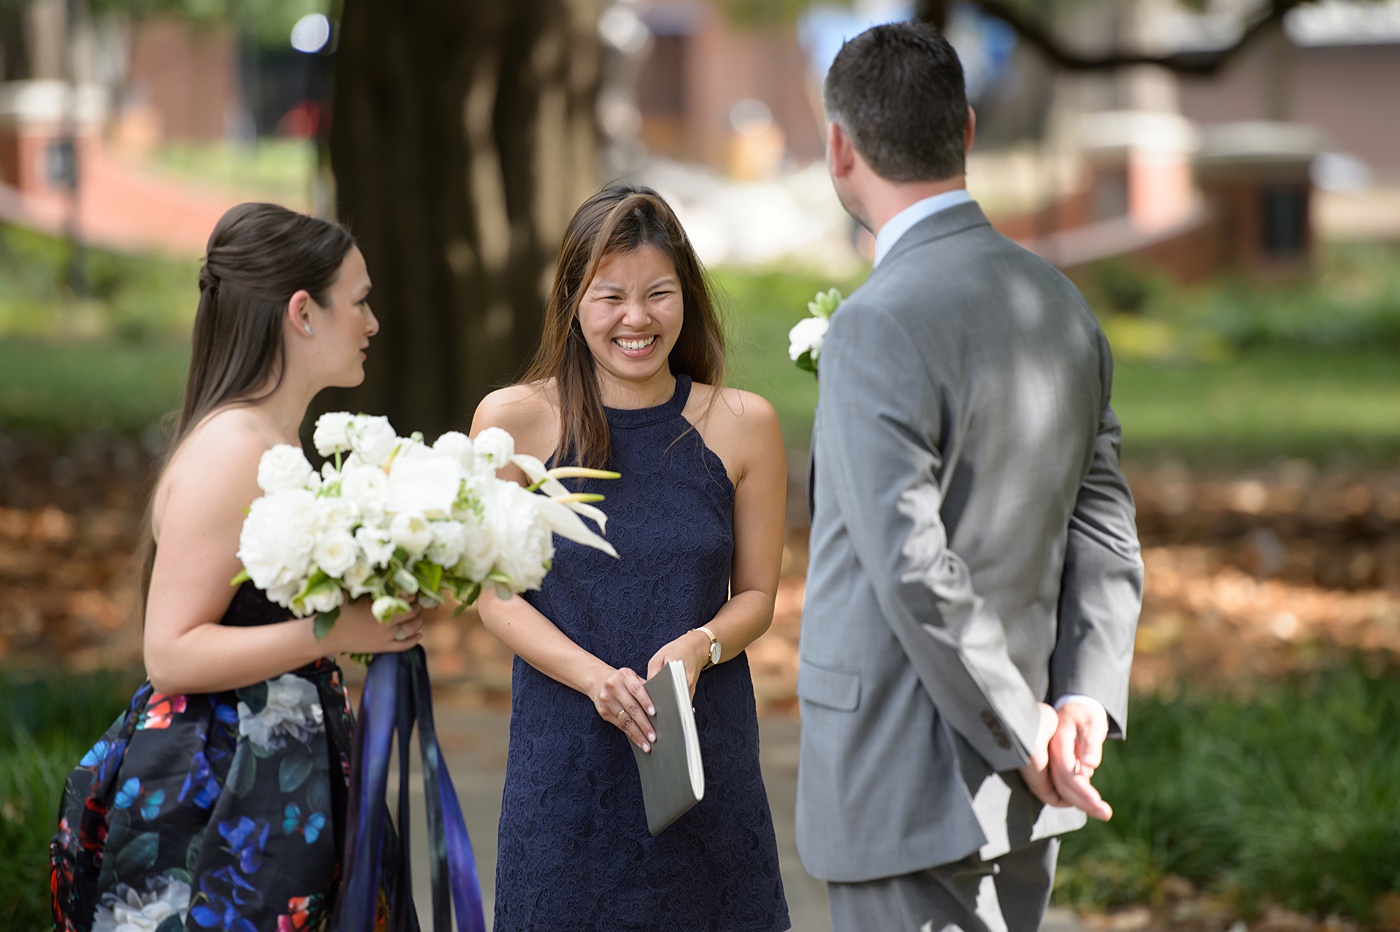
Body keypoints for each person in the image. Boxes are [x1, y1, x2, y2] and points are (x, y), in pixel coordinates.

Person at [795, 22, 1144, 932]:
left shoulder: (876, 324)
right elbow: (1104, 525)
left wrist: (1023, 727)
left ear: (840, 146)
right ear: (968, 132)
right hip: (1032, 780)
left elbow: (912, 562)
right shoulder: (1058, 302)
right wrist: (1082, 701)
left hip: (907, 782)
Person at [50, 202, 425, 932]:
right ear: (302, 313)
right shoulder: (234, 451)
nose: (374, 322)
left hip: (275, 769)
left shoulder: (267, 439)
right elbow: (172, 652)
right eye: (360, 301)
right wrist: (332, 630)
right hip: (223, 795)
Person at [471, 184, 791, 932]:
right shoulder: (512, 420)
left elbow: (756, 597)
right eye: (609, 296)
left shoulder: (744, 424)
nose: (636, 319)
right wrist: (593, 679)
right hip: (564, 763)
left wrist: (699, 647)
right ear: (572, 300)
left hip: (703, 756)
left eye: (658, 294)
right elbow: (493, 594)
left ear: (687, 297)